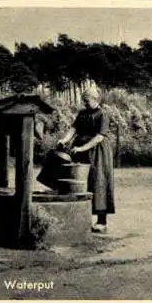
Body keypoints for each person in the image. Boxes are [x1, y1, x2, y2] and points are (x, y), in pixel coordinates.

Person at [57, 88, 115, 233]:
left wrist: (82, 148)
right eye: (84, 101)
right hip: (80, 152)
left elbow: (99, 137)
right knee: (78, 182)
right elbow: (73, 129)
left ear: (96, 100)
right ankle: (80, 220)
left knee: (98, 182)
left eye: (87, 101)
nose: (84, 103)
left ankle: (102, 222)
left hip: (98, 153)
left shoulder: (103, 114)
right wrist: (64, 140)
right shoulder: (82, 113)